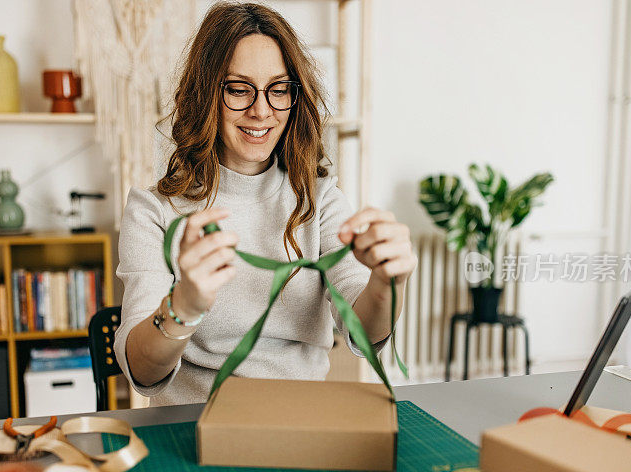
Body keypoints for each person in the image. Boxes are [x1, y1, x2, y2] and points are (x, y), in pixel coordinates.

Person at [114, 2, 417, 407]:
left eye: (279, 90)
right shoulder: (154, 211)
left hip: (298, 423)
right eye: (238, 89)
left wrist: (387, 283)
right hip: (191, 428)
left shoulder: (319, 198)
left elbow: (363, 336)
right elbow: (142, 373)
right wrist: (184, 303)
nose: (261, 111)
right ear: (206, 93)